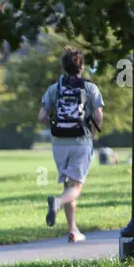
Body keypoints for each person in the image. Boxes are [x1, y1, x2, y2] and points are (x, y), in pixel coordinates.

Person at [38, 46, 104, 243]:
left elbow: (41, 116)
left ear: (63, 66)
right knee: (75, 187)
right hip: (80, 140)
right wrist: (93, 133)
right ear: (81, 66)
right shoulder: (90, 88)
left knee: (69, 185)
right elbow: (99, 115)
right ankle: (57, 203)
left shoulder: (54, 89)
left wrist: (54, 125)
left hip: (59, 143)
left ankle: (73, 230)